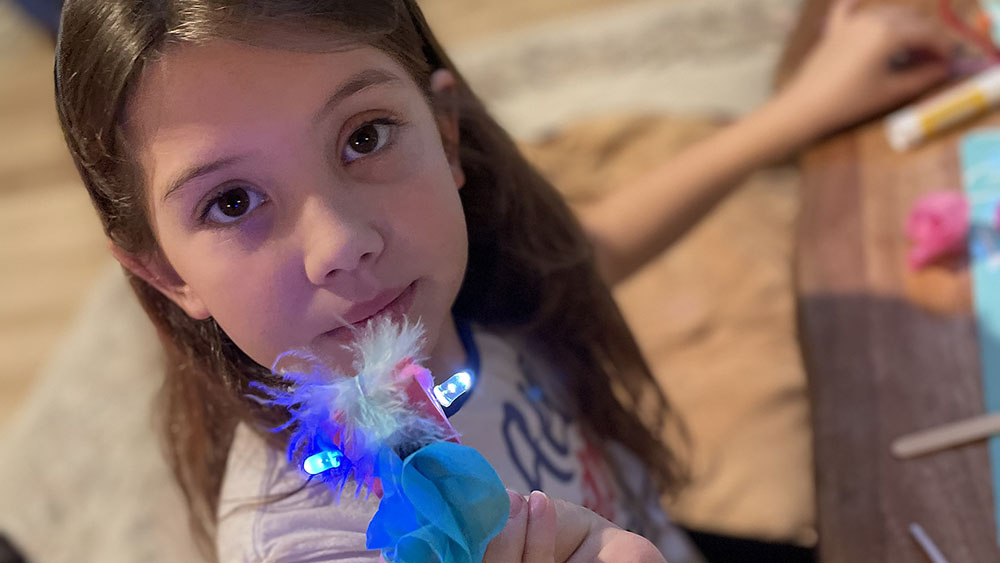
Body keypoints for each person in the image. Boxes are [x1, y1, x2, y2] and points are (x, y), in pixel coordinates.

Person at [53, 0, 953, 560]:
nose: (340, 243)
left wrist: (804, 107)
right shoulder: (307, 542)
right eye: (235, 199)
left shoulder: (468, 293)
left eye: (363, 137)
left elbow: (583, 250)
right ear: (167, 274)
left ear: (445, 137)